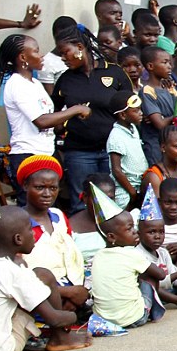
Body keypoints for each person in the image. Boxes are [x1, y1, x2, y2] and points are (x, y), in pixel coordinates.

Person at [0, 34, 90, 205]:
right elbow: (41, 121)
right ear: (23, 57)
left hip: (46, 152)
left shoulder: (35, 84)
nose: (41, 56)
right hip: (29, 155)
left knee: (49, 207)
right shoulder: (17, 84)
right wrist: (75, 109)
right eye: (36, 51)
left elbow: (51, 119)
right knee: (32, 210)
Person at [0, 205, 91, 351]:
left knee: (41, 275)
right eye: (30, 229)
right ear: (18, 239)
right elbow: (54, 318)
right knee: (41, 281)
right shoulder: (12, 272)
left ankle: (59, 338)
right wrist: (73, 315)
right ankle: (60, 337)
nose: (33, 233)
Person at [51, 23, 133, 212]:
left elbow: (130, 106)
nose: (63, 58)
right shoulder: (66, 79)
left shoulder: (114, 72)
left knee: (113, 203)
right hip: (79, 153)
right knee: (81, 203)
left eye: (65, 53)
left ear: (80, 48)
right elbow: (53, 111)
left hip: (112, 152)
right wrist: (61, 127)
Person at [88, 185, 166, 329]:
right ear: (112, 237)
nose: (135, 232)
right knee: (148, 278)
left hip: (104, 320)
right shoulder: (132, 254)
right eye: (129, 229)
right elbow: (160, 275)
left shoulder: (98, 256)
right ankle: (153, 312)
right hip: (135, 318)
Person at [18, 156, 89, 312]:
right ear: (25, 186)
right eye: (39, 187)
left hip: (70, 287)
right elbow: (17, 276)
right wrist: (69, 293)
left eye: (53, 188)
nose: (47, 194)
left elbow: (72, 259)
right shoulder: (17, 223)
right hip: (38, 295)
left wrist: (76, 292)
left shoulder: (58, 216)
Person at [135, 185, 177, 309]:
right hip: (145, 294)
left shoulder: (162, 252)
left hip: (167, 290)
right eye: (152, 232)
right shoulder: (137, 254)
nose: (157, 236)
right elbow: (155, 283)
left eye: (161, 232)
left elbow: (174, 275)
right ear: (139, 234)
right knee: (151, 286)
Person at [107, 92, 148, 209]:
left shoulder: (133, 128)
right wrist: (132, 193)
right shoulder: (116, 136)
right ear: (123, 115)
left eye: (140, 109)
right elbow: (117, 170)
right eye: (136, 111)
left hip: (138, 185)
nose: (141, 113)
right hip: (125, 190)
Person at [139, 46, 177, 165]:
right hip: (155, 145)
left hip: (172, 144)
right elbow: (160, 124)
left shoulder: (170, 89)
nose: (169, 66)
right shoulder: (147, 91)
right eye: (164, 62)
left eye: (170, 63)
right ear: (150, 66)